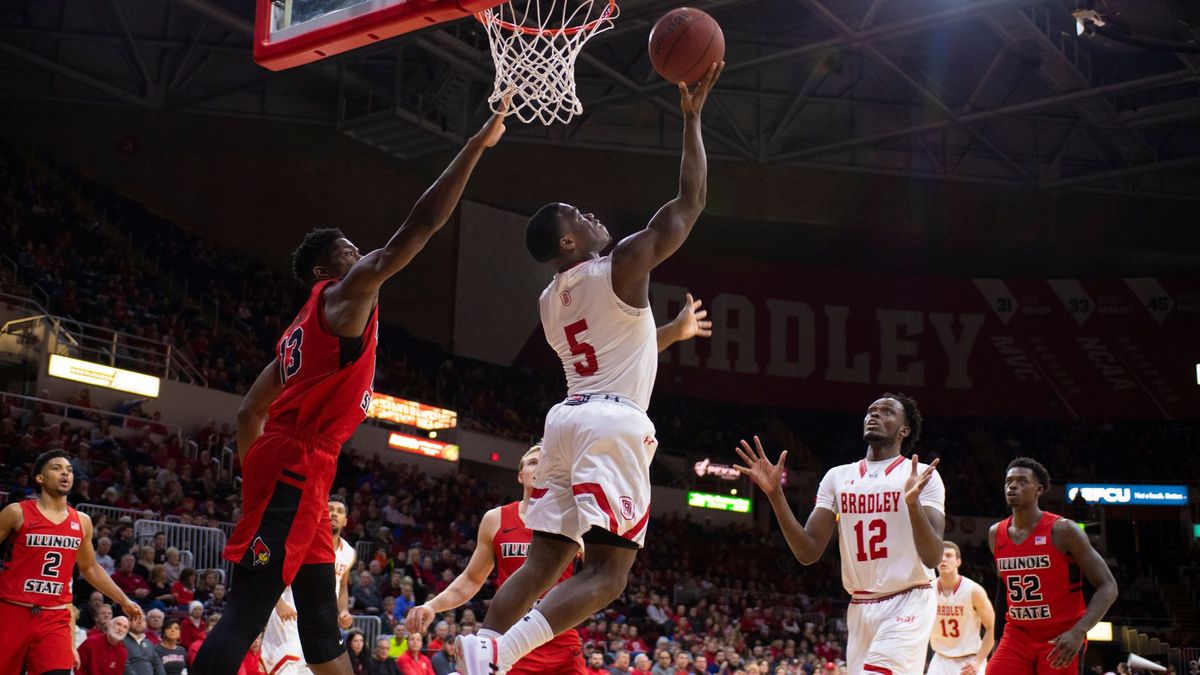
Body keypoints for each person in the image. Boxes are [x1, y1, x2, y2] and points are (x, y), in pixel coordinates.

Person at [193, 102, 507, 675]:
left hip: (293, 464)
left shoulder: (298, 332)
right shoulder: (341, 298)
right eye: (347, 251)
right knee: (249, 605)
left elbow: (246, 413)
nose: (361, 255)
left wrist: (260, 477)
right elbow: (420, 227)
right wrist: (476, 148)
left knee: (319, 618)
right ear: (324, 272)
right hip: (296, 462)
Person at [454, 62, 723, 675]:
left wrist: (669, 332)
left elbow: (613, 351)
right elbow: (692, 202)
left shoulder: (550, 301)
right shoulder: (623, 262)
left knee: (543, 561)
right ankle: (505, 651)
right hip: (612, 425)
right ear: (568, 242)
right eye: (578, 215)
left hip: (566, 422)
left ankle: (481, 650)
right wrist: (691, 117)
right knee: (609, 574)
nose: (592, 216)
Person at [736, 394, 945, 675]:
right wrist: (775, 496)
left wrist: (912, 504)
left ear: (904, 429)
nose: (874, 415)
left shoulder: (921, 475)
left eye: (886, 412)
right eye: (871, 411)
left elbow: (932, 556)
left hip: (910, 597)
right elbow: (808, 552)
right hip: (860, 604)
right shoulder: (838, 476)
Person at [0, 450, 144, 675]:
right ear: (40, 478)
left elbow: (89, 567)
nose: (65, 473)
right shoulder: (16, 513)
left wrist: (123, 600)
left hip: (54, 616)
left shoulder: (82, 521)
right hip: (12, 610)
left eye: (69, 470)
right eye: (56, 468)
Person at [988, 457, 1117, 673]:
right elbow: (1003, 593)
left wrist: (1078, 632)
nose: (1012, 485)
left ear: (1039, 489)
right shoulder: (996, 534)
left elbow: (1108, 586)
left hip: (1060, 635)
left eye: (1022, 481)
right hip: (1017, 635)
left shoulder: (1064, 530)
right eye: (1009, 481)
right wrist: (997, 640)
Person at [263, 495, 358, 674]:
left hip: (321, 622)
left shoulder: (349, 554)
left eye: (339, 511)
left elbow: (343, 584)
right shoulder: (302, 540)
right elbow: (272, 572)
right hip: (289, 616)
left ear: (346, 520)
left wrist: (343, 610)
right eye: (329, 509)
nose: (334, 514)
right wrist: (279, 603)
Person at [928, 541, 995, 675]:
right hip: (940, 659)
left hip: (969, 660)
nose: (943, 559)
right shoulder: (928, 590)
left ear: (958, 561)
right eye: (940, 556)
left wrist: (978, 661)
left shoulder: (973, 590)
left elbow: (992, 627)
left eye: (948, 555)